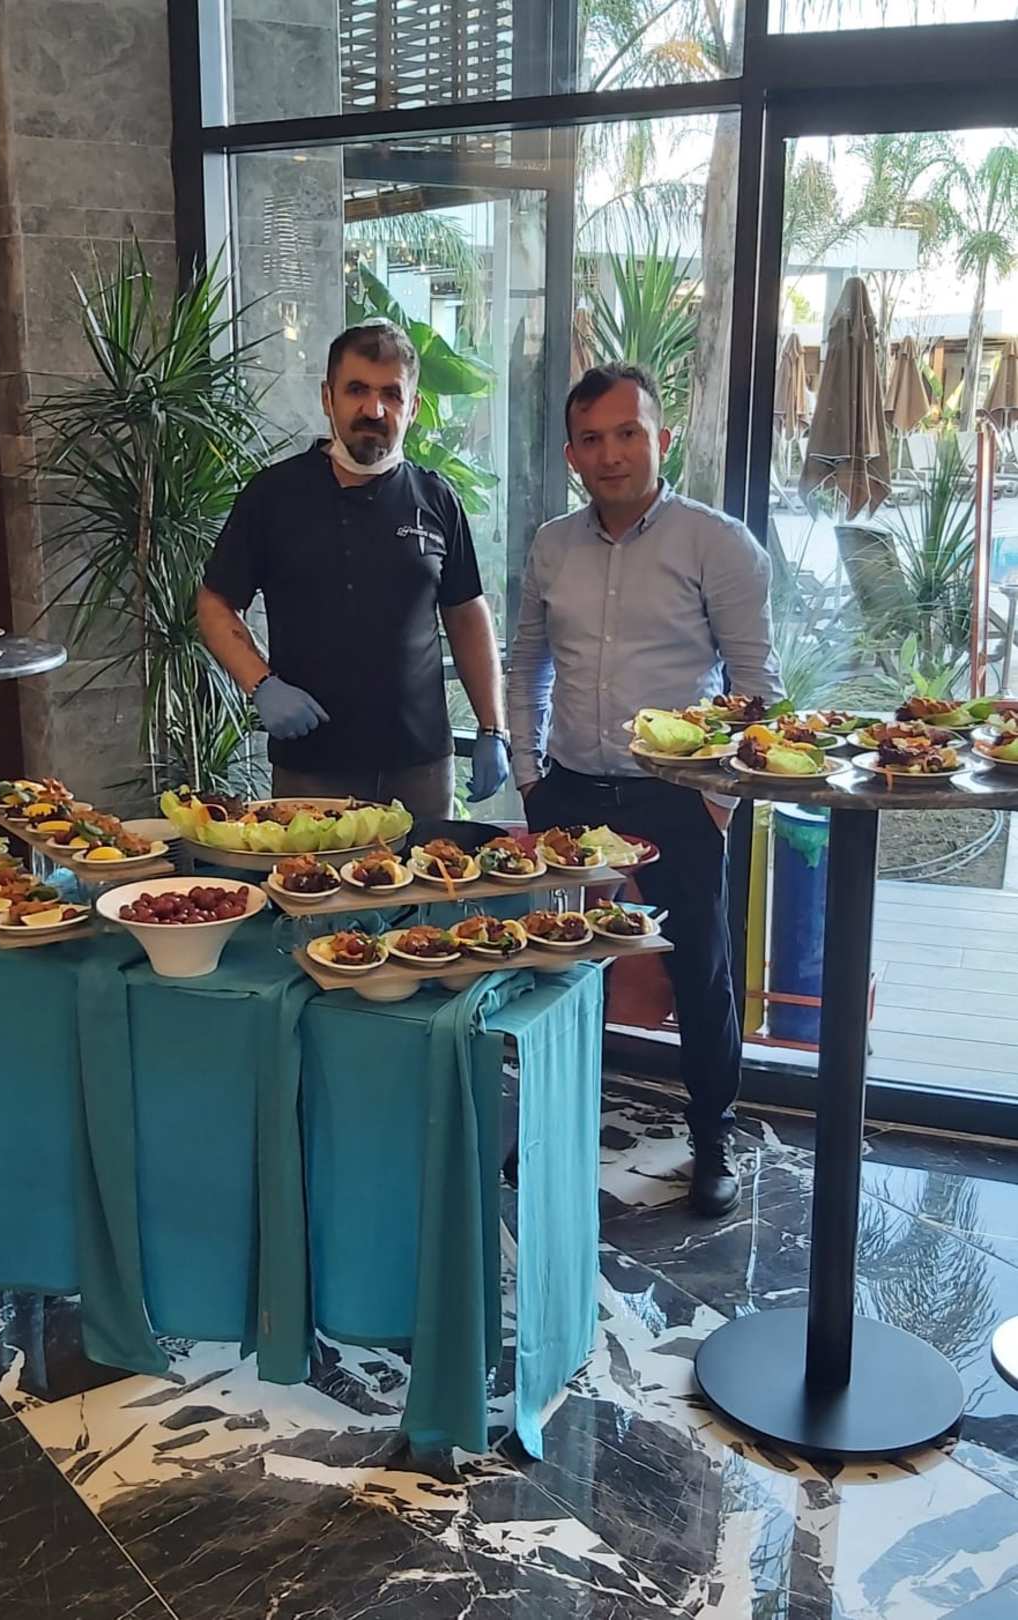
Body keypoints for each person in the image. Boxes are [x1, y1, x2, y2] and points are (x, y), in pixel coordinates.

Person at [507, 362, 783, 1217]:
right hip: (568, 792)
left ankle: (713, 1138)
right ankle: (550, 1123)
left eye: (628, 434)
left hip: (676, 795)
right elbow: (526, 665)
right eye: (592, 439)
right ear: (571, 454)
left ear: (662, 439)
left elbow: (756, 688)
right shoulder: (551, 545)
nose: (611, 454)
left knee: (699, 970)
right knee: (556, 965)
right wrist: (528, 776)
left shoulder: (718, 544)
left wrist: (718, 801)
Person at [198, 319, 509, 821]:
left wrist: (493, 727)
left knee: (426, 873)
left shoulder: (436, 498)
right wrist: (261, 685)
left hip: (421, 767)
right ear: (328, 397)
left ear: (413, 407)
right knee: (309, 873)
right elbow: (215, 602)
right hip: (310, 766)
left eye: (391, 394)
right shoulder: (274, 496)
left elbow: (466, 612)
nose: (374, 409)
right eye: (357, 390)